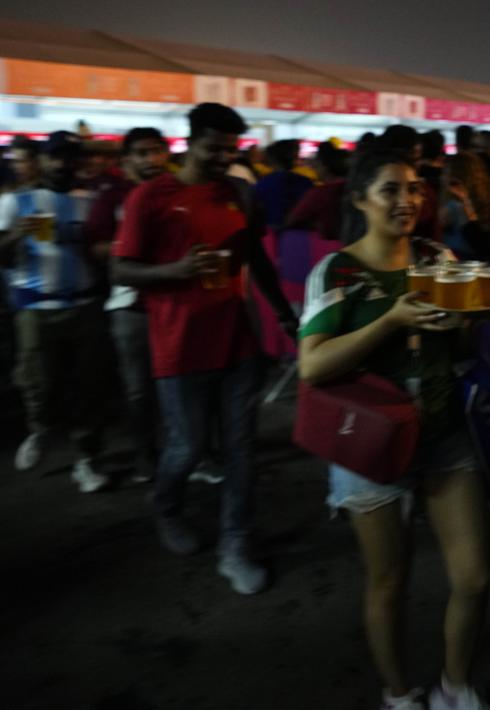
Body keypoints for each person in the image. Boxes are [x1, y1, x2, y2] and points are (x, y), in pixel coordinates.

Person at [298, 146, 490, 710]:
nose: (407, 200)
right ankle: (399, 694)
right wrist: (390, 320)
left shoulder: (437, 256)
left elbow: (459, 346)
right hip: (369, 444)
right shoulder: (338, 272)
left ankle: (456, 686)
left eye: (413, 188)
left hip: (443, 433)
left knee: (475, 576)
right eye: (390, 190)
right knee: (389, 581)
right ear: (359, 198)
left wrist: (473, 318)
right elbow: (312, 365)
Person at [111, 103, 298, 595]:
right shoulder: (151, 197)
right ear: (188, 142)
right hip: (178, 348)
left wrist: (283, 314)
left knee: (240, 451)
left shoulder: (238, 192)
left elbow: (255, 258)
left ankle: (235, 545)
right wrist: (172, 273)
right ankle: (166, 506)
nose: (222, 158)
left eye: (230, 150)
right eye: (213, 148)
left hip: (237, 345)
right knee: (188, 447)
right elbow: (121, 269)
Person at [0, 131, 111, 492]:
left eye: (69, 157)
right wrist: (17, 235)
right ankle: (40, 430)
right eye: (55, 157)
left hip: (84, 304)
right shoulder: (16, 203)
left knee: (90, 388)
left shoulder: (90, 201)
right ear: (41, 159)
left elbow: (102, 248)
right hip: (36, 307)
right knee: (38, 383)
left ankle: (87, 458)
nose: (62, 164)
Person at [85, 127, 171, 482]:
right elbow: (96, 246)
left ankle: (189, 454)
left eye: (157, 151)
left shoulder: (177, 191)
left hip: (173, 304)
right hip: (130, 306)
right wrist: (134, 248)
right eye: (142, 153)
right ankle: (147, 461)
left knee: (180, 387)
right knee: (139, 391)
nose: (151, 159)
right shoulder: (113, 196)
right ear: (128, 159)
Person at [284, 141, 350, 241]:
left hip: (329, 245)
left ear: (324, 166)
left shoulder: (320, 193)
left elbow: (291, 220)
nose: (314, 169)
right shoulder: (353, 187)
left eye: (317, 165)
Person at [253, 139, 314, 231]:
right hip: (301, 235)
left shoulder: (264, 182)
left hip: (271, 234)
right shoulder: (306, 182)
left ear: (273, 159)